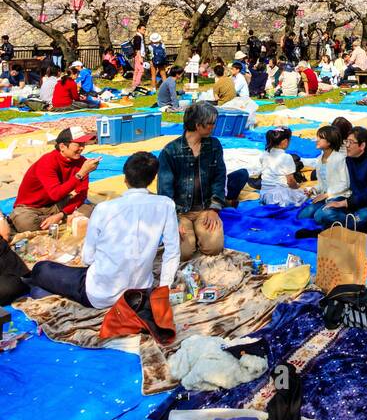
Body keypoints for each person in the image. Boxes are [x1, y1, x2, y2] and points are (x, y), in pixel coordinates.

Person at [27, 152, 182, 309]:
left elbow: (88, 258)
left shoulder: (104, 208)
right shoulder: (166, 204)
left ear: (125, 179)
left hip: (99, 294)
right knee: (52, 281)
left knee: (42, 268)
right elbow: (172, 252)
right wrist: (164, 290)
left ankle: (43, 290)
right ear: (152, 179)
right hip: (139, 292)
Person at [158, 102, 237, 261]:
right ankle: (189, 234)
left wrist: (214, 208)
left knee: (213, 247)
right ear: (197, 125)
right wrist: (173, 219)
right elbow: (164, 190)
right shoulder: (170, 151)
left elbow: (219, 178)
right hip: (180, 211)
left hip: (204, 208)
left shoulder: (214, 146)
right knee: (183, 253)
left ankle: (199, 233)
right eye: (210, 123)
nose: (213, 127)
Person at [11, 126, 101, 233]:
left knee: (92, 209)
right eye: (78, 144)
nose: (82, 148)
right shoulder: (47, 162)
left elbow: (82, 193)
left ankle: (57, 220)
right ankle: (65, 220)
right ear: (62, 146)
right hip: (31, 207)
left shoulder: (82, 162)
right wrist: (81, 173)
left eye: (83, 144)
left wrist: (61, 214)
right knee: (25, 223)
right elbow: (55, 193)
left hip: (57, 205)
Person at [315, 127, 367, 237]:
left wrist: (343, 203)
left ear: (362, 145)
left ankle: (330, 230)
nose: (347, 145)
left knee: (364, 215)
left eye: (351, 142)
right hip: (354, 207)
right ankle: (353, 227)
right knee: (321, 214)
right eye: (346, 141)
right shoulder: (349, 159)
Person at [298, 125, 351, 224]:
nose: (316, 140)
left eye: (321, 138)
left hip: (339, 196)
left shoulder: (340, 158)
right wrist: (313, 190)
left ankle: (349, 218)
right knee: (303, 215)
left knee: (319, 216)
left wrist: (327, 194)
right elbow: (322, 184)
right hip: (325, 196)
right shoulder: (319, 159)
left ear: (329, 142)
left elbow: (345, 184)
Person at [258, 129, 306, 207]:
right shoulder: (286, 157)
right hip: (279, 196)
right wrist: (297, 186)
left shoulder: (264, 154)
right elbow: (290, 181)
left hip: (265, 194)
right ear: (285, 142)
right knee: (305, 195)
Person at [130, 23, 147, 94]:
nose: (144, 31)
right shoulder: (138, 37)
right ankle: (136, 84)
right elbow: (137, 49)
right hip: (138, 55)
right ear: (138, 29)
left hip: (137, 55)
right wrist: (140, 57)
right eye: (143, 29)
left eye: (145, 29)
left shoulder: (139, 36)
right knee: (141, 70)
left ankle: (134, 84)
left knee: (136, 70)